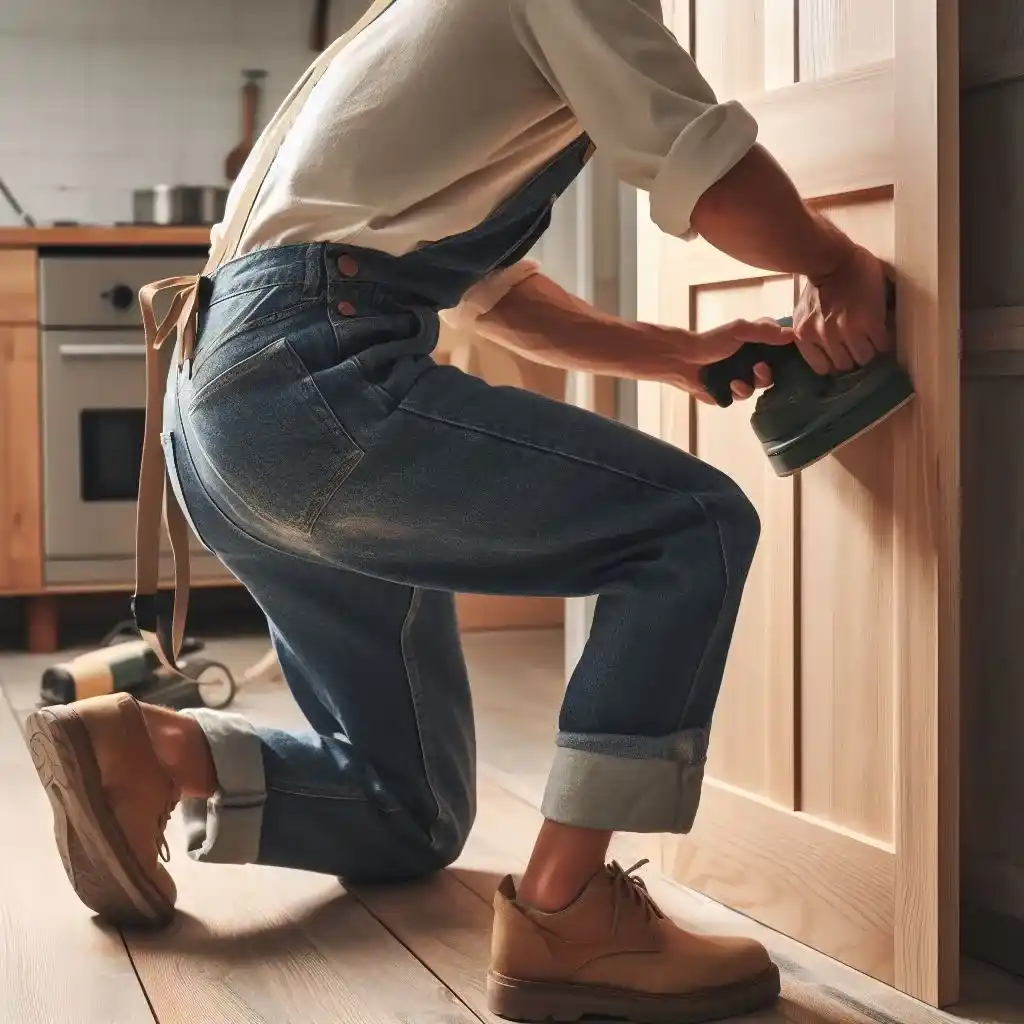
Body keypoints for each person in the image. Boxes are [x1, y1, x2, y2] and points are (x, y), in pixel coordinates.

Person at [27, 2, 890, 1021]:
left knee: (414, 812)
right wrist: (834, 266)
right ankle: (567, 914)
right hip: (315, 383)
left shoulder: (412, 28)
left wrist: (670, 351)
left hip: (220, 416)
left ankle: (161, 752)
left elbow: (494, 293)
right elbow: (702, 164)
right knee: (688, 528)